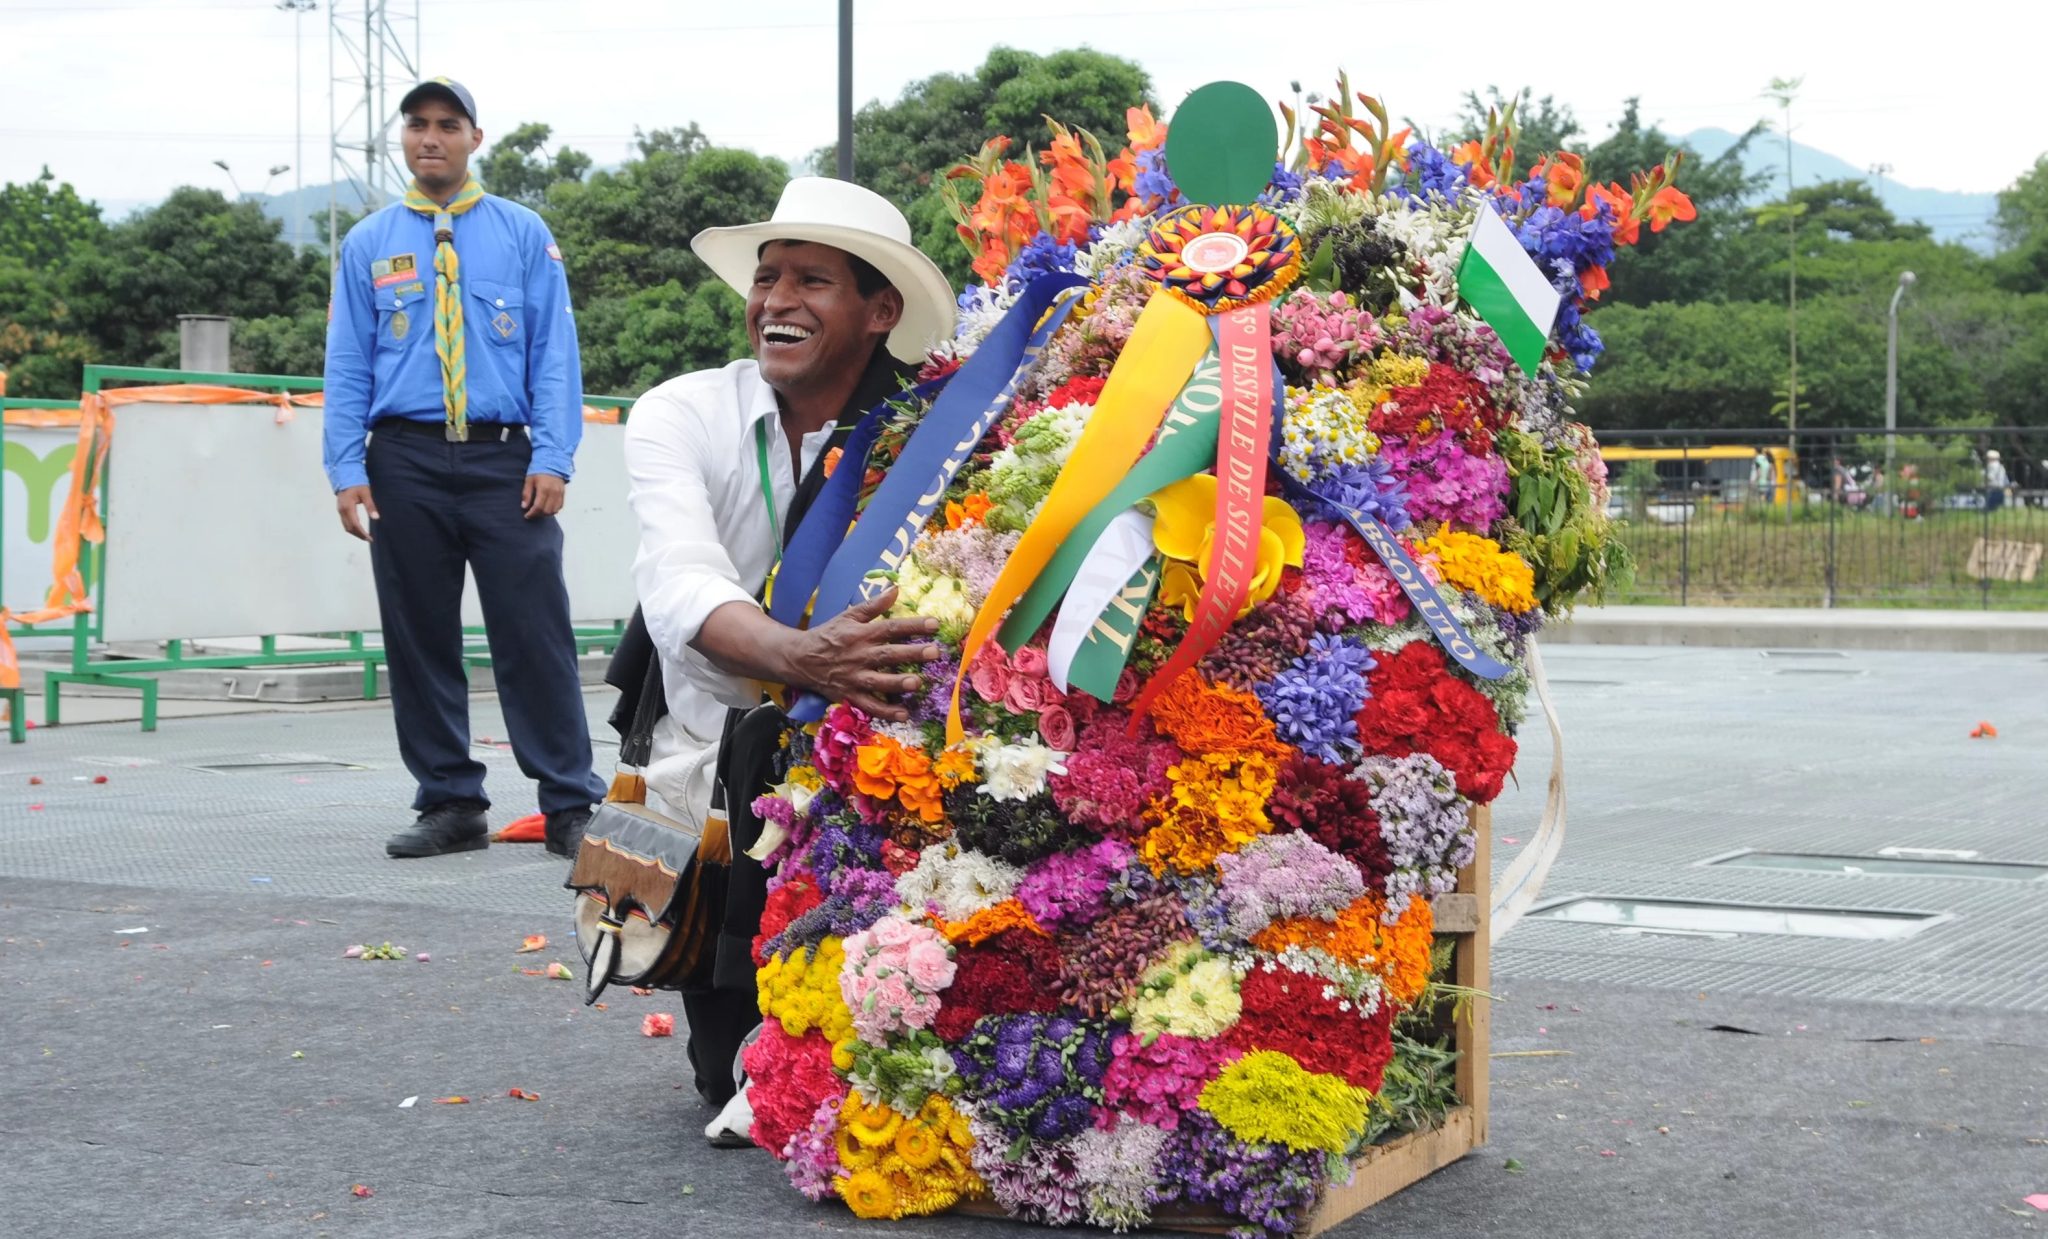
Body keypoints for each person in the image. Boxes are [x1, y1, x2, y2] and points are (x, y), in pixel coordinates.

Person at [618, 177, 956, 1145]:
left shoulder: (937, 431)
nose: (775, 301)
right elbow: (678, 581)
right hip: (707, 753)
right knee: (721, 1074)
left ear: (878, 312)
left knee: (867, 1051)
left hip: (863, 759)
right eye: (767, 279)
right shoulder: (678, 411)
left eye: (812, 280)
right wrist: (802, 659)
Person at [323, 78, 605, 860]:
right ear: (402, 139)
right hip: (403, 457)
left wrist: (553, 455)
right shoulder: (369, 244)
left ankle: (568, 802)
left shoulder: (521, 233)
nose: (431, 138)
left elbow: (554, 353)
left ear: (475, 137)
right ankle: (450, 801)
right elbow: (347, 360)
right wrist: (346, 465)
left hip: (503, 457)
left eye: (448, 124)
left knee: (534, 632)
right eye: (417, 125)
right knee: (419, 635)